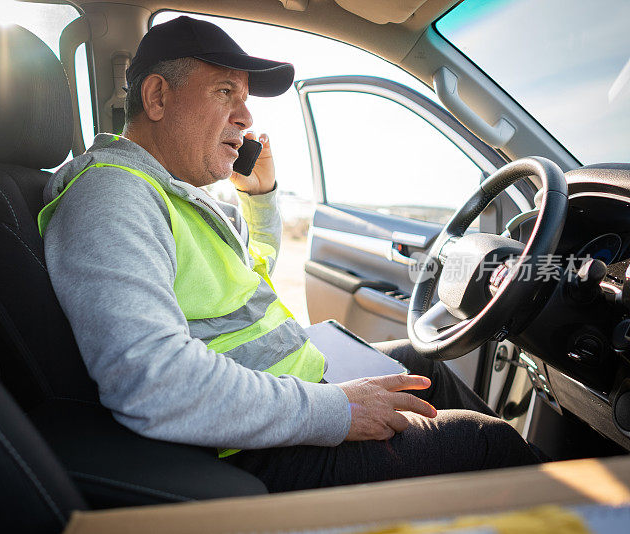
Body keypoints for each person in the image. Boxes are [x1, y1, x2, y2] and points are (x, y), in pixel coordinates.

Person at [39, 15, 538, 492]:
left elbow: (243, 282)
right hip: (244, 448)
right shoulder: (111, 196)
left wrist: (261, 195)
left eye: (245, 97)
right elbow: (151, 379)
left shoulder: (164, 191)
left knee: (420, 369)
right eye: (224, 92)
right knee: (485, 443)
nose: (246, 115)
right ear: (157, 97)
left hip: (274, 397)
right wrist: (337, 410)